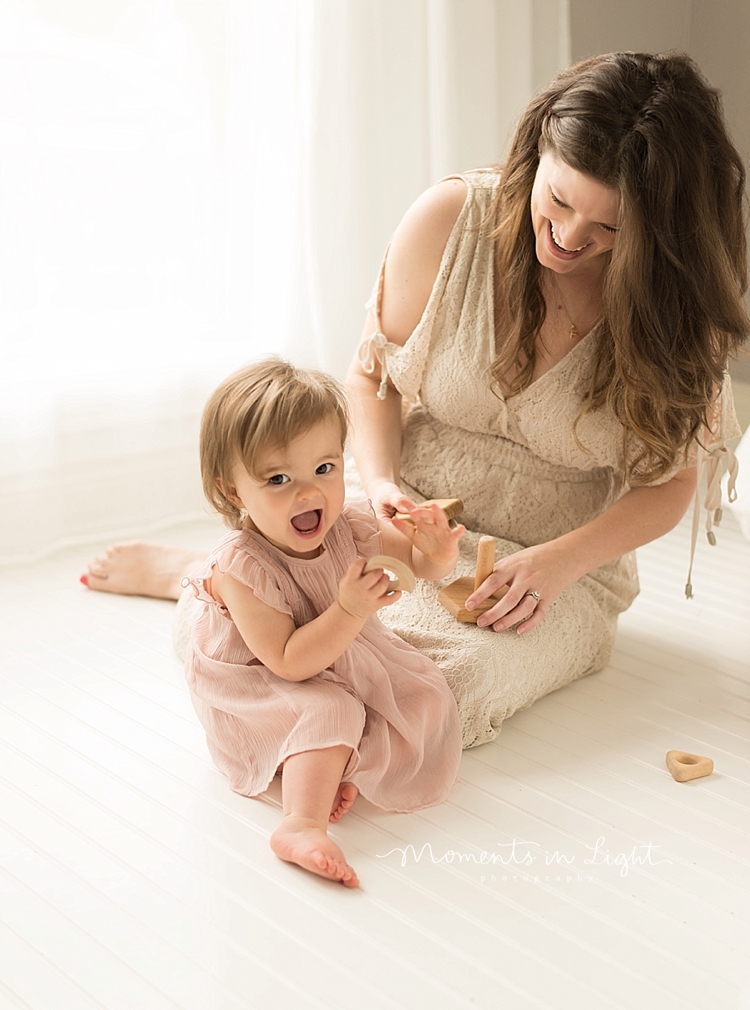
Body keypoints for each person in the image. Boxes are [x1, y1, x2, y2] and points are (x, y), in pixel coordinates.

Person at [82, 52, 745, 749]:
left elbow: (672, 483)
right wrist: (383, 485)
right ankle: (214, 578)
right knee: (223, 632)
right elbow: (371, 379)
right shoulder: (452, 221)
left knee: (446, 685)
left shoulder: (676, 303)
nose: (571, 237)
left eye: (610, 228)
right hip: (411, 519)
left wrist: (558, 565)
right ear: (538, 148)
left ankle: (234, 585)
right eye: (559, 201)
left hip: (553, 563)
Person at [177, 359, 464, 888]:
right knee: (330, 708)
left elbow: (414, 568)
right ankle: (301, 824)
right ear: (235, 491)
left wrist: (438, 552)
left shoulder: (349, 523)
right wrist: (351, 610)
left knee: (422, 696)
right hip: (261, 676)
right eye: (279, 479)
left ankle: (327, 768)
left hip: (330, 643)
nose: (308, 494)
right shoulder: (244, 567)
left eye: (324, 470)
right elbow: (289, 663)